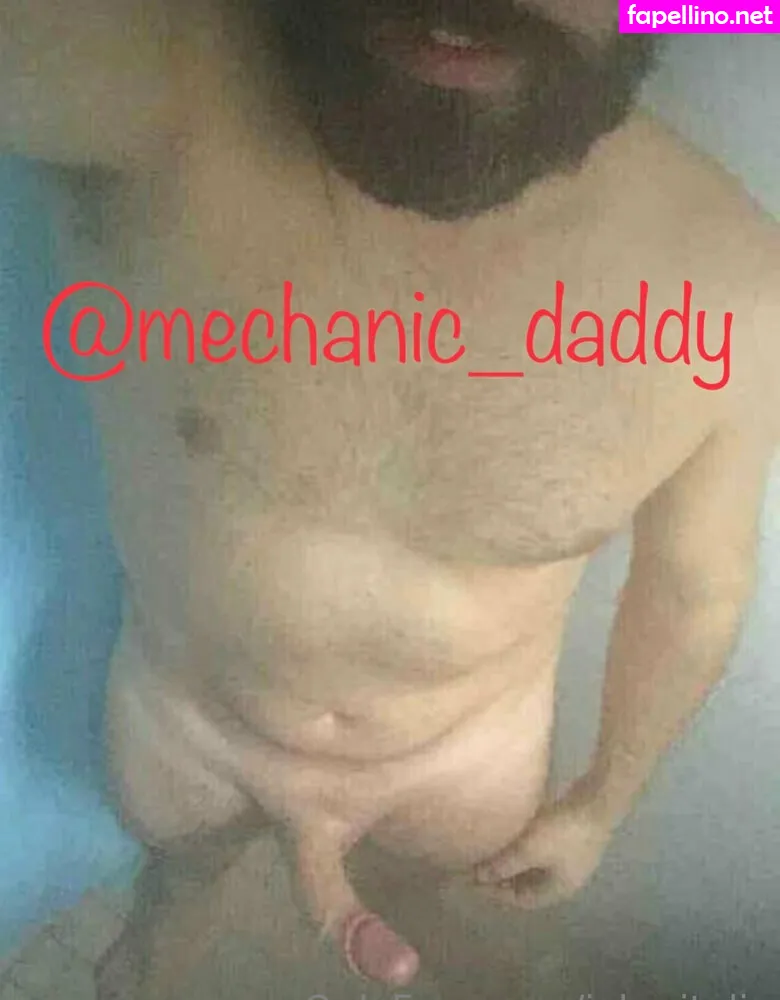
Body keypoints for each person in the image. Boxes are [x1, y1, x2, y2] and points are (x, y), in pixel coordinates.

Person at [3, 0, 778, 995]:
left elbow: (695, 593)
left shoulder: (738, 288)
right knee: (176, 886)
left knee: (419, 911)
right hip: (186, 729)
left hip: (460, 764)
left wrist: (601, 805)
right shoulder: (141, 73)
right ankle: (169, 922)